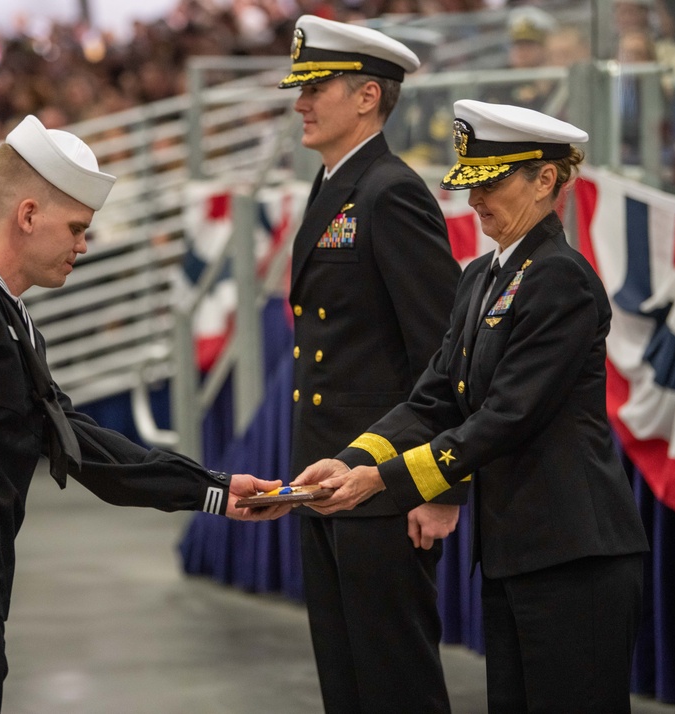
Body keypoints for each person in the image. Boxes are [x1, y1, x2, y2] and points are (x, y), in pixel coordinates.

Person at [0, 114, 291, 714]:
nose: (84, 245)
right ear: (27, 215)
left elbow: (71, 438)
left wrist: (210, 490)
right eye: (77, 228)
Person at [293, 100, 650, 713]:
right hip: (517, 547)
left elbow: (506, 418)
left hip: (574, 550)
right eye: (470, 184)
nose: (475, 200)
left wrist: (383, 481)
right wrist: (350, 459)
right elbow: (433, 397)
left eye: (492, 182)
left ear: (546, 180)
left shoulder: (561, 277)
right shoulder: (482, 274)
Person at [277, 15, 463, 713]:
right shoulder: (336, 187)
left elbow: (443, 352)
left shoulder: (391, 190)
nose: (300, 102)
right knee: (346, 677)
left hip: (383, 482)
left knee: (394, 678)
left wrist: (441, 484)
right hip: (326, 476)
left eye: (316, 86)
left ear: (366, 97)